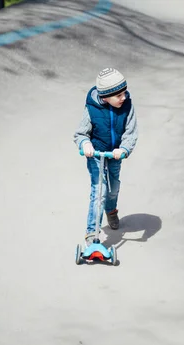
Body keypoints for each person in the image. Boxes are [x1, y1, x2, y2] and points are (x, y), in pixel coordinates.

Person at [73, 67, 139, 247]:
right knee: (99, 191)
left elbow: (131, 132)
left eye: (124, 93)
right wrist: (85, 144)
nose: (123, 98)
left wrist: (124, 148)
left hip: (115, 154)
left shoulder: (127, 106)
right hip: (96, 154)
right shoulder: (92, 108)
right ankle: (92, 233)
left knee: (113, 187)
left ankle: (111, 211)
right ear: (105, 97)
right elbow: (81, 133)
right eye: (118, 96)